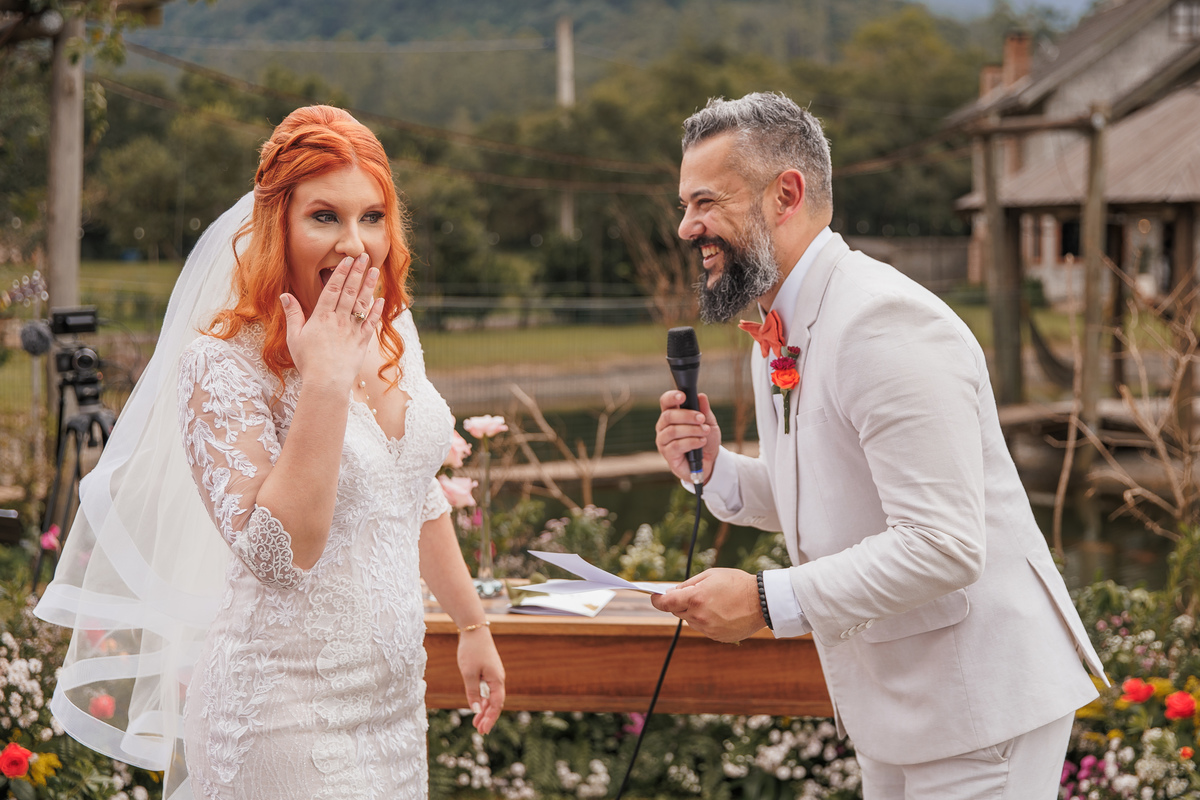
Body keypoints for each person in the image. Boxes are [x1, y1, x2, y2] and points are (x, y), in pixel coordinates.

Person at [35, 105, 504, 800]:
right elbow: (282, 556)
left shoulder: (389, 328)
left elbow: (413, 492)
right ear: (276, 221)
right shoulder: (221, 367)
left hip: (395, 711)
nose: (355, 245)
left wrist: (471, 625)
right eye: (326, 217)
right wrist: (324, 381)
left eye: (372, 217)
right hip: (282, 719)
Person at [652, 92, 1105, 798]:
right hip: (898, 709)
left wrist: (768, 601)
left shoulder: (883, 322)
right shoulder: (782, 327)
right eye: (685, 205)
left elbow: (941, 543)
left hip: (977, 709)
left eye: (705, 202)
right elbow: (831, 497)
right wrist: (715, 470)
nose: (687, 227)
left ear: (786, 194)